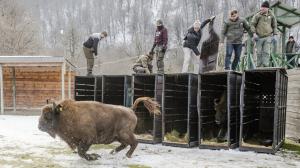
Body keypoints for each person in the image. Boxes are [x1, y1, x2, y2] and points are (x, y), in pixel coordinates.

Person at [251, 1, 277, 67]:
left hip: (268, 36)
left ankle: (265, 66)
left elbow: (274, 25)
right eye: (261, 7)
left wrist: (275, 35)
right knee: (259, 52)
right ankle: (259, 66)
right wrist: (254, 34)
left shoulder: (271, 15)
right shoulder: (257, 15)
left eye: (263, 7)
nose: (262, 9)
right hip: (259, 37)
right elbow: (252, 25)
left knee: (266, 52)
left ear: (267, 8)